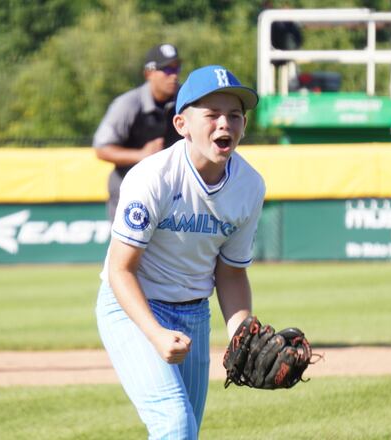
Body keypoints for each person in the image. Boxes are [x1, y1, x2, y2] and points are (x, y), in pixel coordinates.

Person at [95, 65, 264, 438]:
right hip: (133, 307)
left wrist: (241, 334)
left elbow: (232, 271)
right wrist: (155, 333)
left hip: (194, 314)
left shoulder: (249, 185)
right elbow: (120, 270)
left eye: (235, 115)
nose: (225, 124)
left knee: (186, 431)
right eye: (212, 115)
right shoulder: (153, 177)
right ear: (182, 124)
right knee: (174, 423)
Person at [92, 43, 183, 221]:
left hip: (173, 190)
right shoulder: (128, 104)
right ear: (148, 73)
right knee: (131, 248)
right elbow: (101, 149)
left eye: (176, 68)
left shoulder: (185, 100)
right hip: (130, 189)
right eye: (166, 69)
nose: (173, 75)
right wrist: (141, 155)